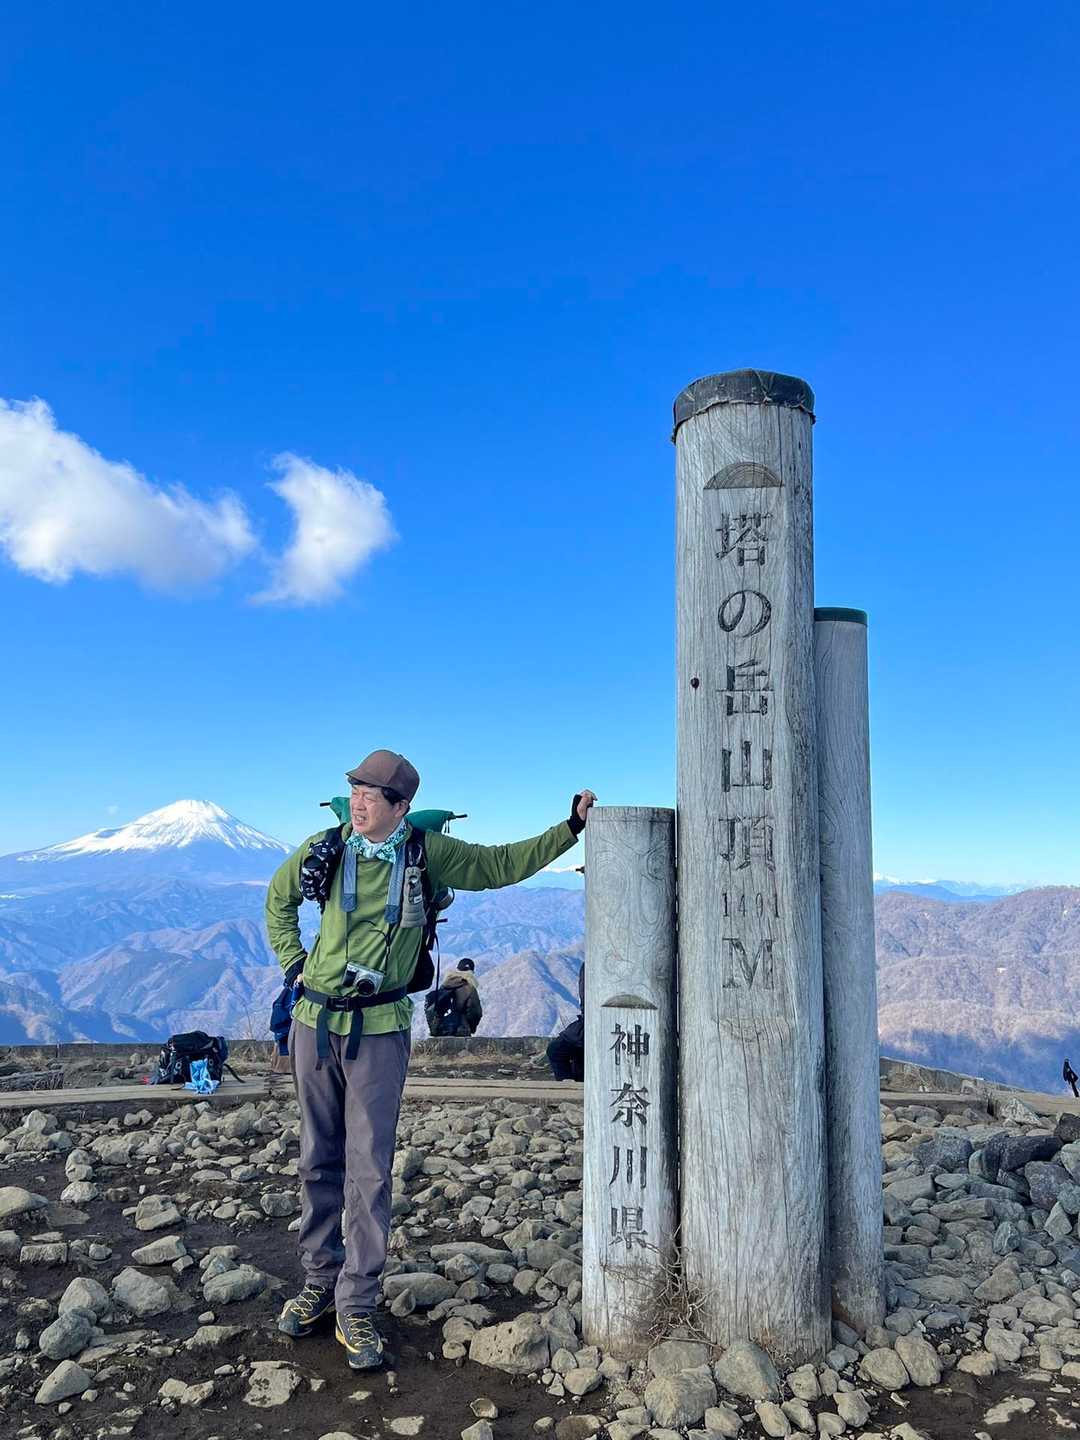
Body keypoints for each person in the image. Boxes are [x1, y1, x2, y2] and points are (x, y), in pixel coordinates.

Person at [265, 748, 595, 1371]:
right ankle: (318, 1282)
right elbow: (277, 901)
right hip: (315, 1021)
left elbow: (499, 865)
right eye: (354, 790)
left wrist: (569, 829)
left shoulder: (426, 853)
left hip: (380, 1027)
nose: (358, 802)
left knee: (369, 1168)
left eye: (370, 794)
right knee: (316, 1159)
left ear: (401, 806)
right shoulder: (324, 847)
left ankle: (356, 1302)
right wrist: (294, 963)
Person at [425, 957, 483, 1037]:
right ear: (472, 972)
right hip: (459, 1030)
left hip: (441, 1028)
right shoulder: (469, 988)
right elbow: (475, 1013)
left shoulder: (445, 985)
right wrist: (471, 1027)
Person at [547, 962, 585, 1081]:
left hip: (593, 1023)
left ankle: (570, 1087)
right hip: (588, 1021)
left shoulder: (592, 964)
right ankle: (574, 1086)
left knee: (556, 1050)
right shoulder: (589, 964)